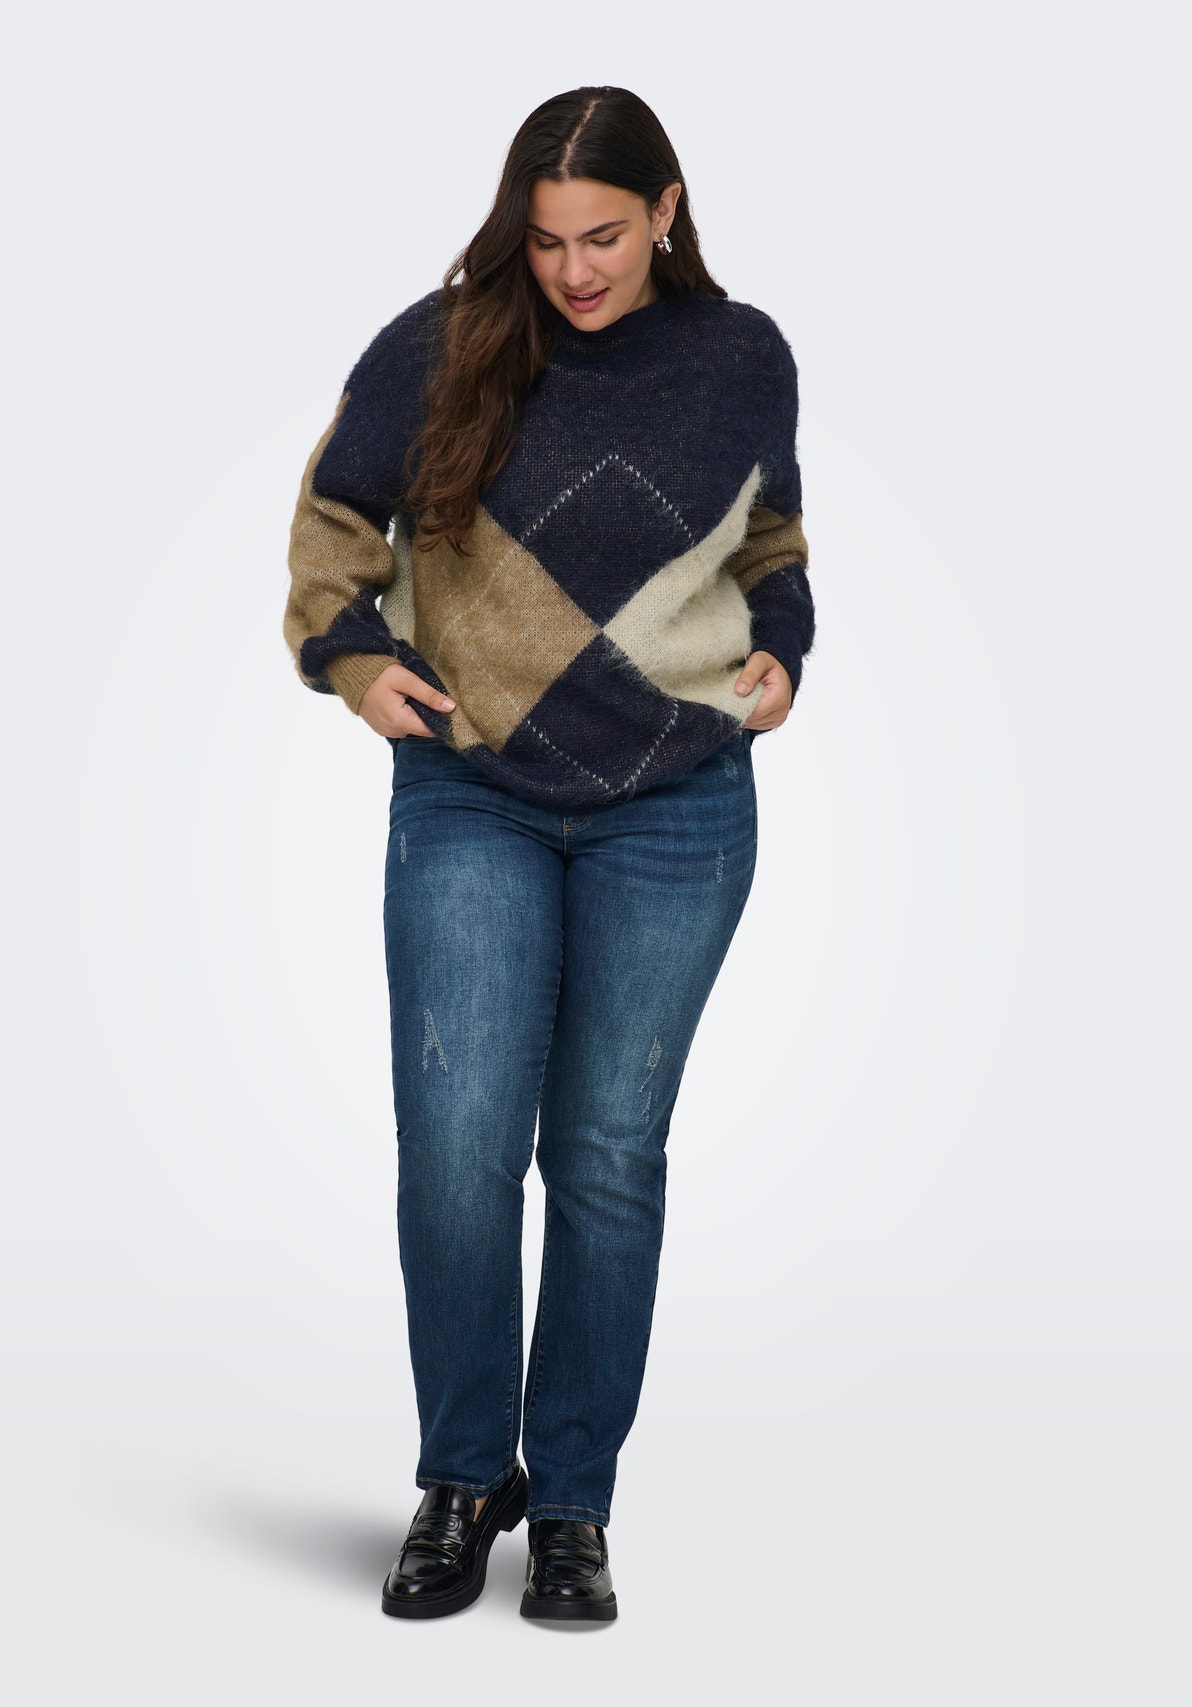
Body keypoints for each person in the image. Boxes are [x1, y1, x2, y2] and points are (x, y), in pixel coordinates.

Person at [283, 85, 816, 1623]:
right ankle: (465, 1476)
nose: (574, 270)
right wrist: (352, 661)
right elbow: (333, 524)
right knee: (458, 1147)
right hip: (473, 790)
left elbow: (771, 543)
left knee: (605, 1156)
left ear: (667, 214)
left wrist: (784, 647)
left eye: (604, 236)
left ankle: (572, 1500)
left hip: (678, 803)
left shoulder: (743, 357)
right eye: (545, 238)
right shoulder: (439, 344)